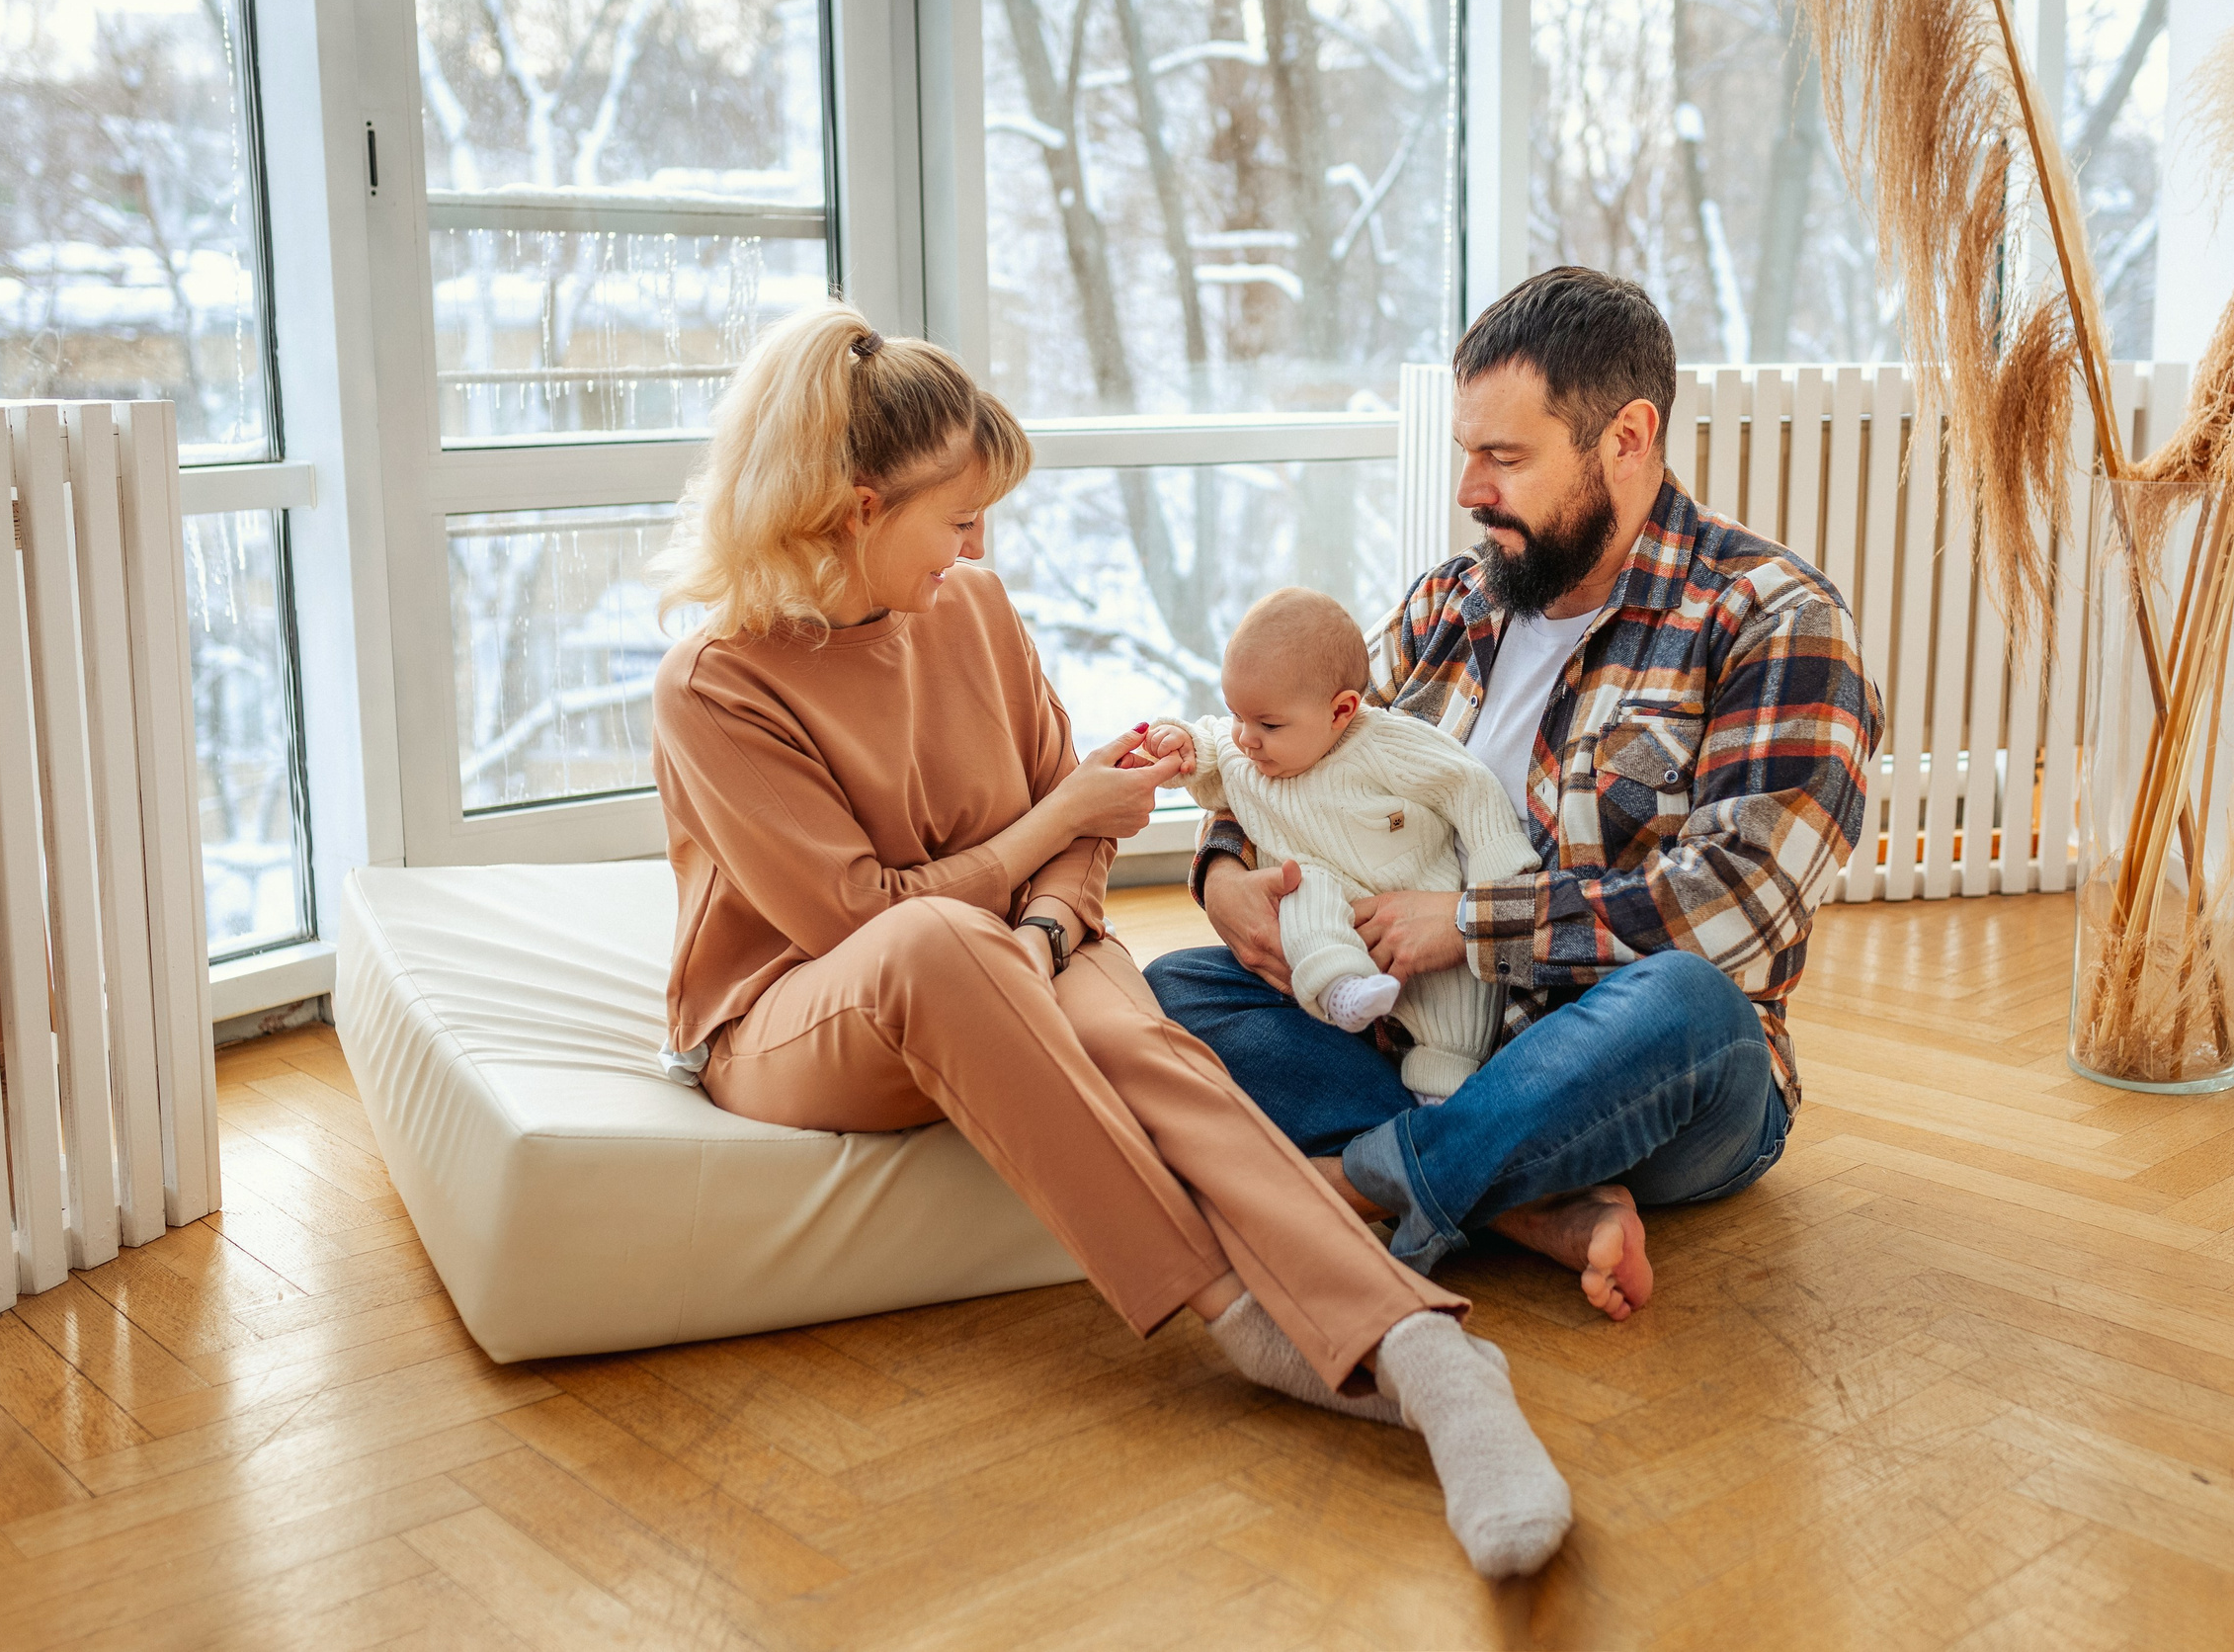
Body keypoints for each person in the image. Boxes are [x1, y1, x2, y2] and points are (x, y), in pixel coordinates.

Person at [645, 301, 1571, 1579]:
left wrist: (1040, 920)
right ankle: (1246, 1318)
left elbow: (1075, 822)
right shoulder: (716, 684)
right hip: (808, 1014)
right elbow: (861, 915)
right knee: (929, 946)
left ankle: (1423, 1352)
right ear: (860, 509)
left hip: (1020, 950)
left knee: (1143, 1043)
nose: (979, 544)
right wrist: (1044, 850)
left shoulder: (969, 606)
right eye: (956, 517)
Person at [1145, 268, 1883, 1322]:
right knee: (1173, 989)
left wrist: (1467, 926)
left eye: (1505, 457)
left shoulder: (1770, 617)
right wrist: (1223, 874)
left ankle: (1354, 1180)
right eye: (1467, 453)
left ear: (1625, 437)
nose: (1469, 490)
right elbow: (1296, 739)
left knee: (1688, 1004)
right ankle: (1522, 1203)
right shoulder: (1453, 599)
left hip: (1633, 1068)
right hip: (1413, 1043)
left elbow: (1740, 905)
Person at [1142, 587, 1539, 1099]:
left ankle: (1437, 1118)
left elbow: (1464, 783)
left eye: (1266, 724)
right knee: (1273, 917)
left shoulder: (1382, 743)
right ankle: (1341, 990)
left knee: (1453, 1027)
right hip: (1324, 921)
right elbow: (1211, 752)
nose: (1246, 737)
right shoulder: (1251, 745)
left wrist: (1496, 868)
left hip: (1427, 917)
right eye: (1237, 714)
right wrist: (1179, 747)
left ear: (1342, 711)